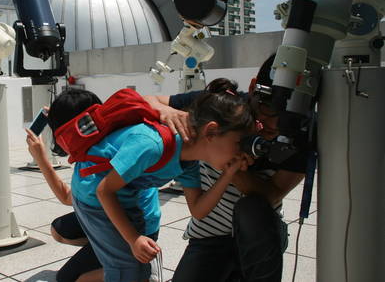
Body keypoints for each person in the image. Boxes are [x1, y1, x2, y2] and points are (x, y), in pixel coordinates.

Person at [46, 85, 254, 282]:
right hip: (93, 197)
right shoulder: (152, 144)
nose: (241, 151)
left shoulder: (189, 162)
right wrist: (133, 239)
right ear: (210, 132)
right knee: (128, 267)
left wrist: (228, 174)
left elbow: (198, 211)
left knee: (135, 268)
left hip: (124, 196)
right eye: (238, 143)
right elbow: (104, 191)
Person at [144, 55, 306, 282]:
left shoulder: (301, 133)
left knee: (252, 209)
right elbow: (147, 100)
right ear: (252, 89)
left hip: (258, 234)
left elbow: (271, 195)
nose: (275, 125)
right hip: (208, 235)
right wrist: (168, 112)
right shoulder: (222, 106)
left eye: (288, 116)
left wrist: (227, 163)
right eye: (269, 109)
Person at [25, 123, 162, 282]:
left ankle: (142, 270)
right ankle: (114, 254)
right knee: (59, 229)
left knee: (69, 278)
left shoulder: (96, 157)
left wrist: (41, 158)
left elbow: (66, 196)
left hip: (138, 228)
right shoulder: (103, 138)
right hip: (113, 216)